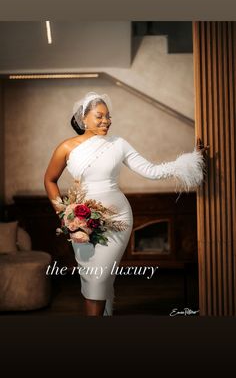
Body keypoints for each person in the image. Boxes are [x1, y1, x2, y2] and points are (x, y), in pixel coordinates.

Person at [44, 91, 208, 316]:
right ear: (84, 118)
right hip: (80, 222)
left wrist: (190, 161)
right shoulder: (66, 148)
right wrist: (64, 214)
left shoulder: (118, 144)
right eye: (100, 116)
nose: (107, 121)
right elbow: (49, 180)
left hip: (117, 220)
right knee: (92, 280)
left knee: (99, 279)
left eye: (108, 116)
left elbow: (151, 171)